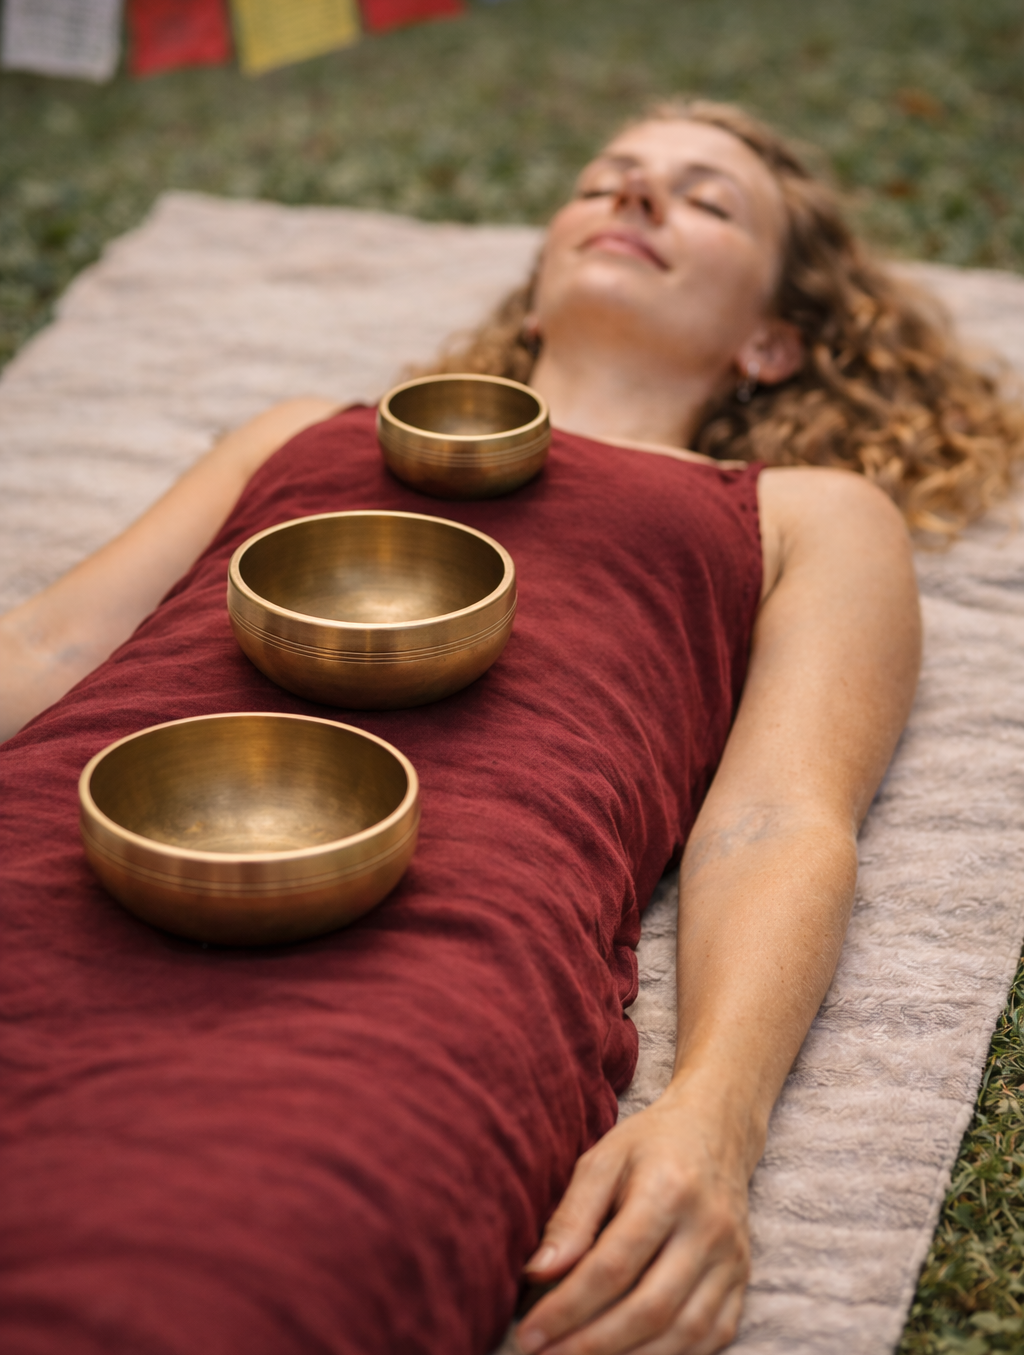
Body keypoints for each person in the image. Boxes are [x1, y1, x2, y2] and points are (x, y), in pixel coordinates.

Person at [0, 101, 1019, 1355]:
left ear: (770, 342)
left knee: (199, 1287)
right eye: (608, 180)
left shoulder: (800, 511)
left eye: (706, 201)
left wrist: (713, 1119)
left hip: (413, 968)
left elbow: (775, 818)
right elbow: (44, 647)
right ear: (535, 290)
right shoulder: (307, 430)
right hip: (43, 850)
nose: (638, 200)